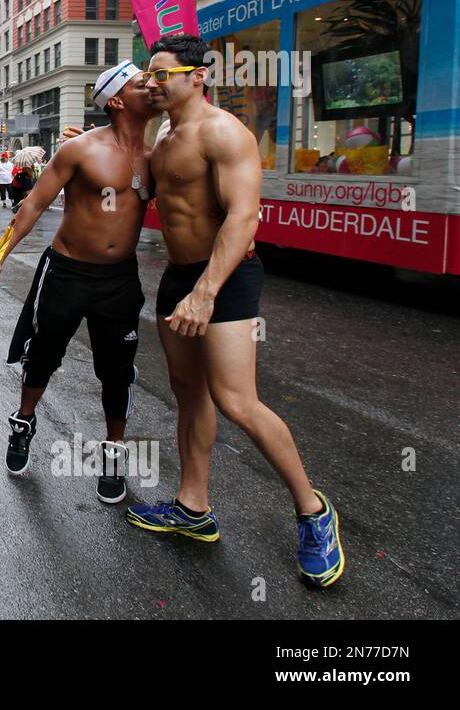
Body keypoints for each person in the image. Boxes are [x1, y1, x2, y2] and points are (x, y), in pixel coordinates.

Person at [126, 35, 344, 588]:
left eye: (161, 74)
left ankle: (313, 512)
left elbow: (244, 217)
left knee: (236, 400)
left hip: (224, 278)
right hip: (179, 277)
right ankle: (193, 507)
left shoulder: (224, 132)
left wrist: (206, 292)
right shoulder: (165, 136)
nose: (152, 83)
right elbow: (149, 195)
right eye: (148, 75)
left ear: (197, 76)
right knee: (189, 393)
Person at [0, 61, 153, 503]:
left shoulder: (158, 154)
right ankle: (24, 422)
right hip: (67, 272)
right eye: (140, 83)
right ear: (116, 100)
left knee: (117, 369)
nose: (152, 86)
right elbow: (33, 205)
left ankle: (113, 453)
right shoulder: (81, 151)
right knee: (43, 357)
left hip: (120, 280)